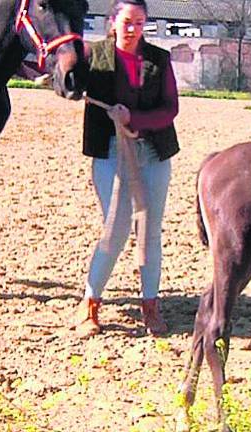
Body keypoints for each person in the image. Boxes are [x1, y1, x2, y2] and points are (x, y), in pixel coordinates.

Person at [71, 0, 179, 338]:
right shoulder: (92, 55)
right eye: (128, 22)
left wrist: (135, 118)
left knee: (150, 230)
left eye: (140, 22)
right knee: (115, 228)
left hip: (154, 152)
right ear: (113, 22)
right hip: (110, 152)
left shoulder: (159, 59)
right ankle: (89, 304)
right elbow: (65, 76)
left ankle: (151, 306)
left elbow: (170, 108)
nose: (133, 29)